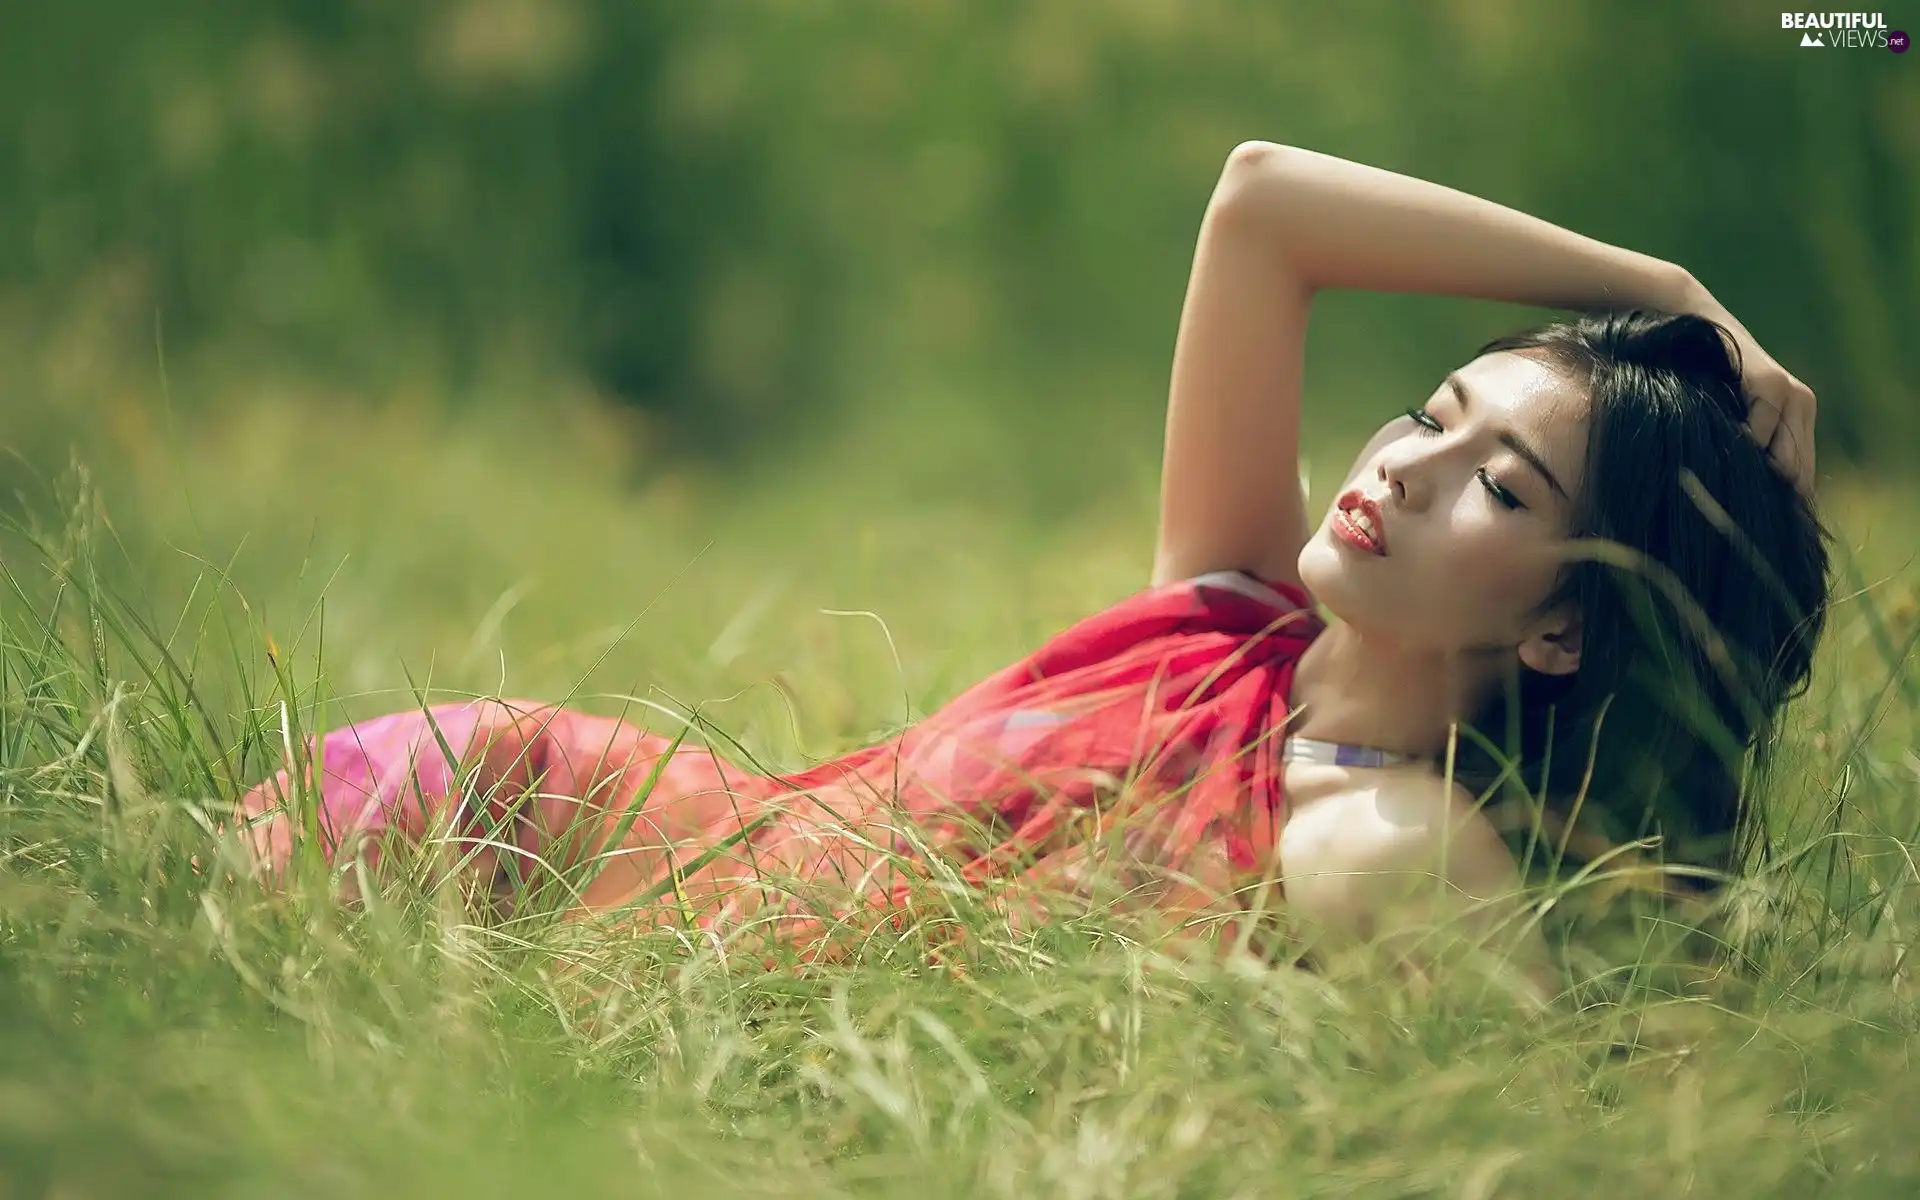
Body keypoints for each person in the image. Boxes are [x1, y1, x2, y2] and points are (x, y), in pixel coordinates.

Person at [235, 143, 1830, 984]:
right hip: (520, 815)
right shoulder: (1224, 610)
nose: (1400, 462)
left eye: (1494, 478)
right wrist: (1663, 285)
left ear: (1565, 623)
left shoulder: (1386, 845)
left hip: (595, 984)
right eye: (1429, 406)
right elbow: (1265, 202)